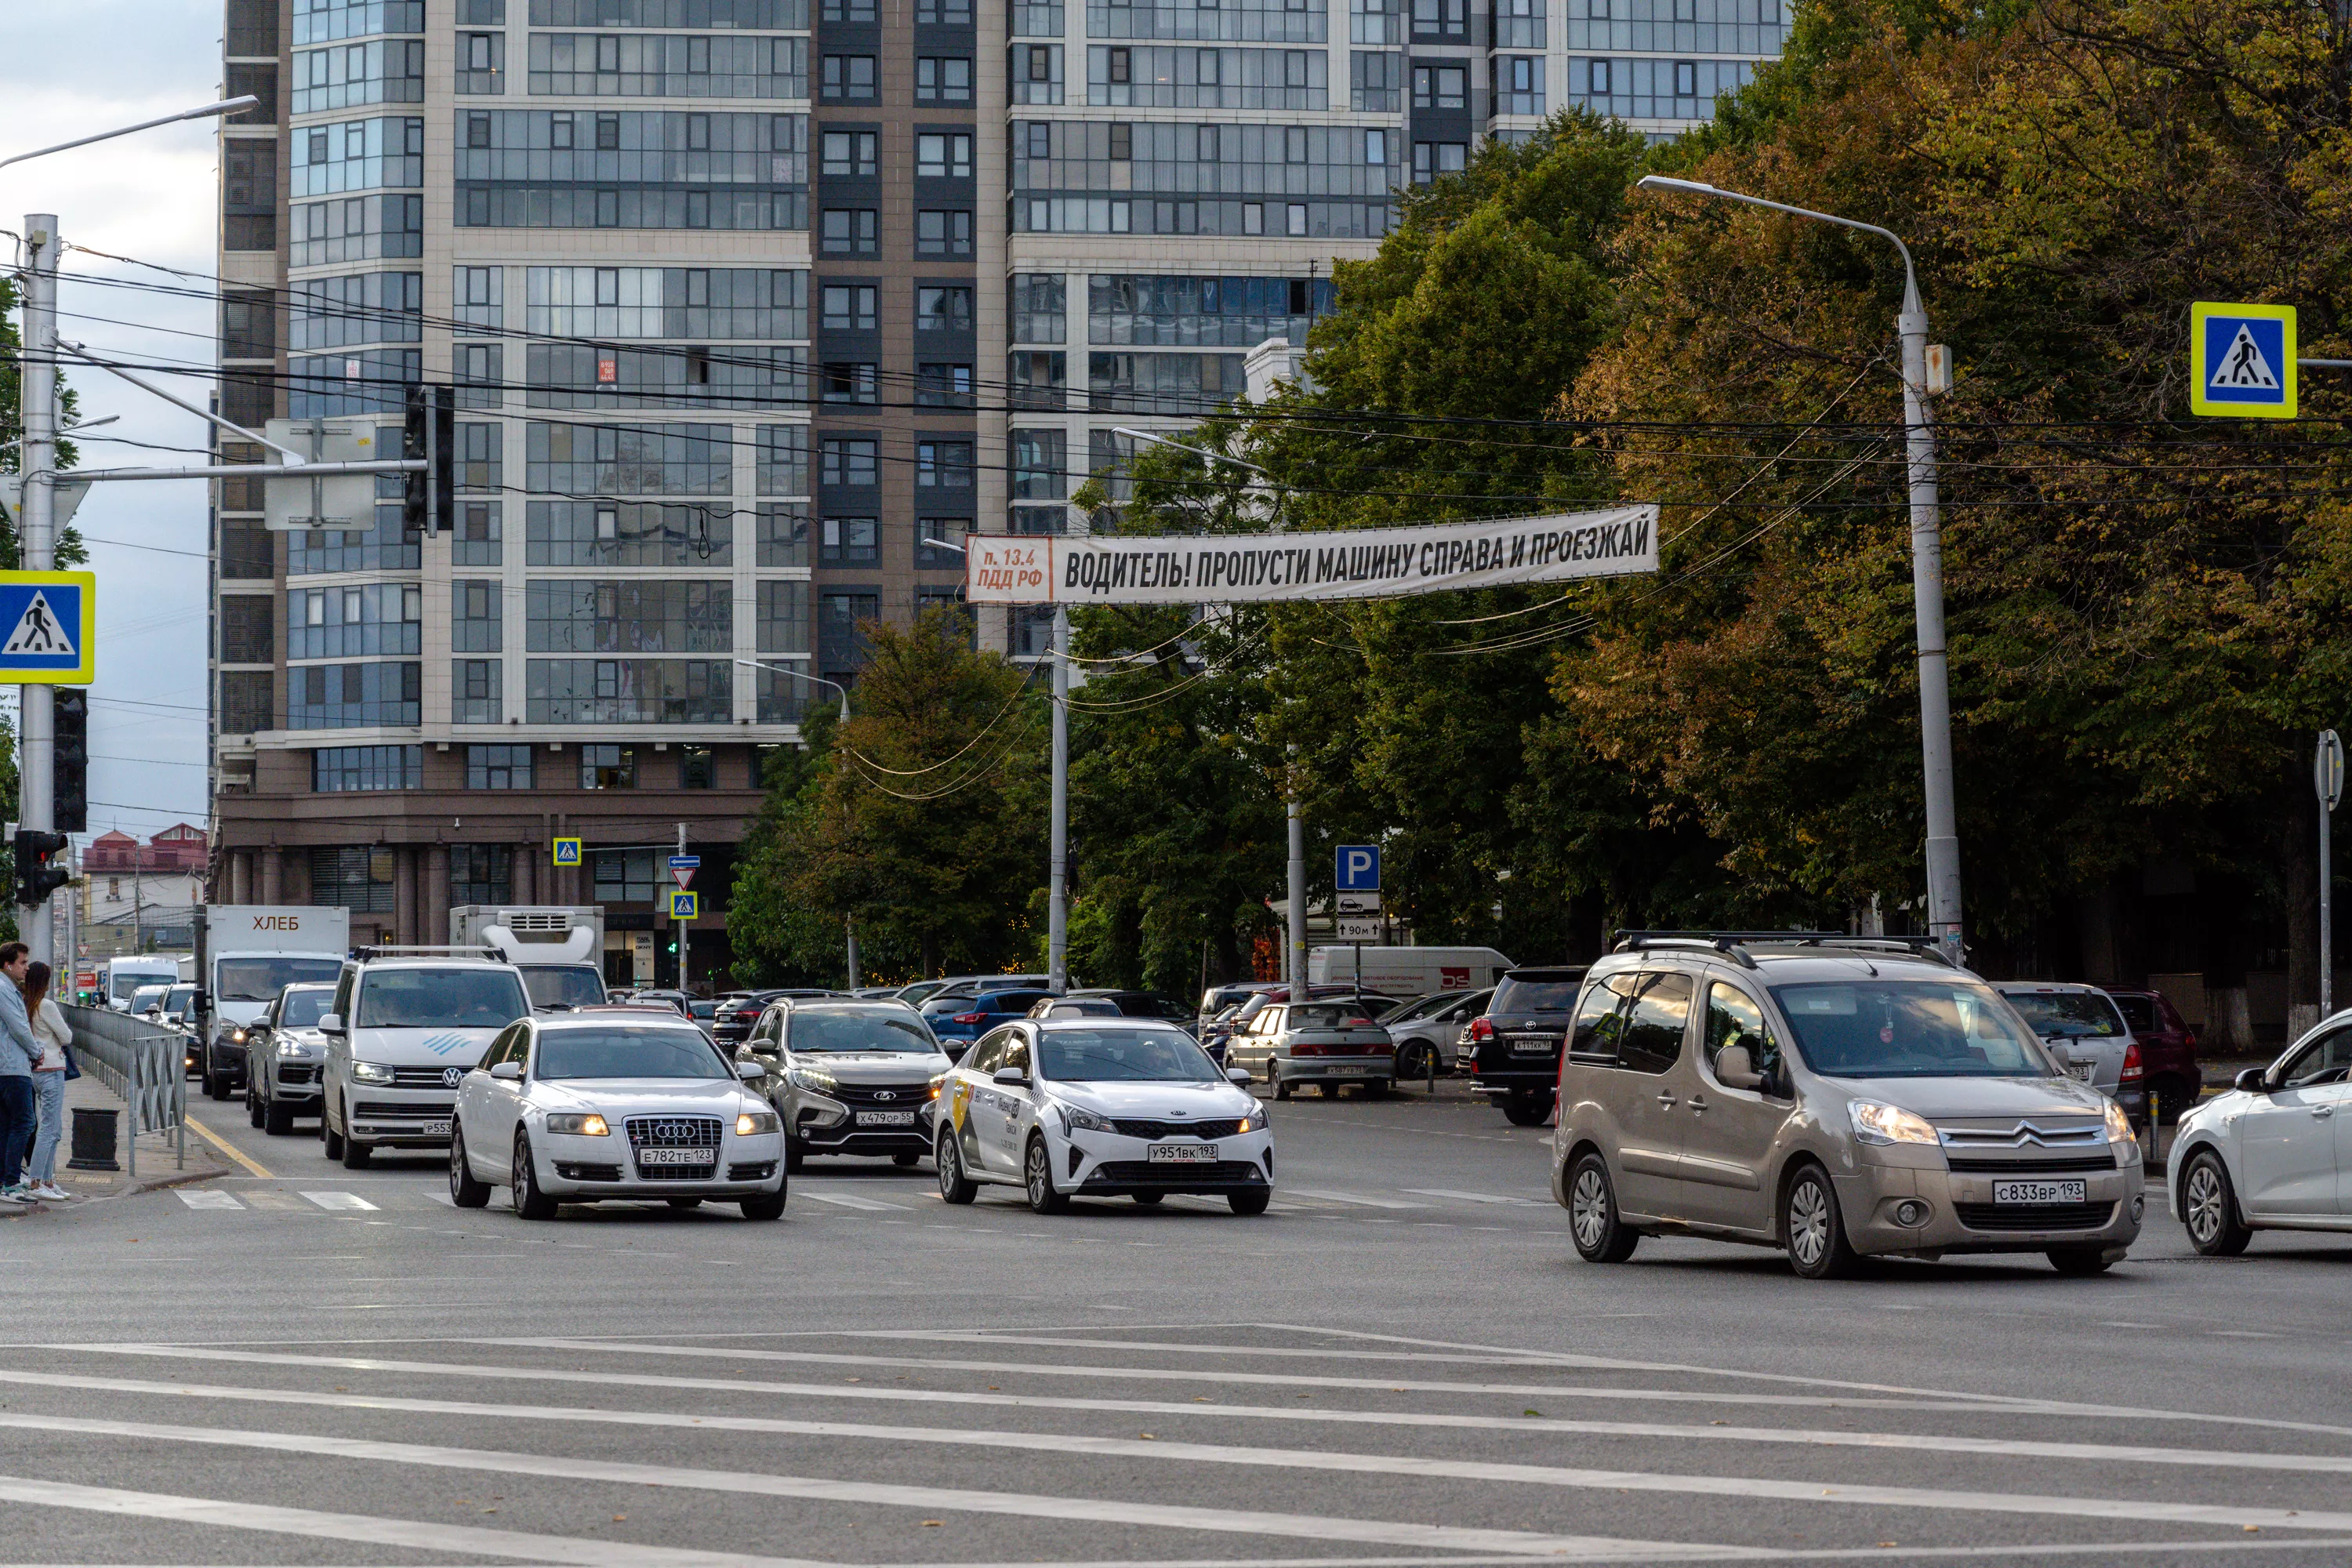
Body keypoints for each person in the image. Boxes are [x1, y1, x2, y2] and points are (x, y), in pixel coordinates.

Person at [24, 962, 72, 1203]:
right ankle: (37, 1181)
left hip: (33, 1071)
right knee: (50, 1129)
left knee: (51, 1128)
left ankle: (49, 1180)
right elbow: (67, 1036)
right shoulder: (46, 1005)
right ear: (45, 982)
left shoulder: (24, 1004)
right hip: (52, 1069)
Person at [0, 942, 38, 1203]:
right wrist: (37, 1052)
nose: (26, 968)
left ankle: (6, 1180)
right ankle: (11, 1182)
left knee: (6, 1125)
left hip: (8, 1066)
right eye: (22, 963)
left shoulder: (7, 988)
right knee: (25, 1122)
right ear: (7, 964)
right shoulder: (3, 989)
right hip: (12, 1067)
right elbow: (18, 1027)